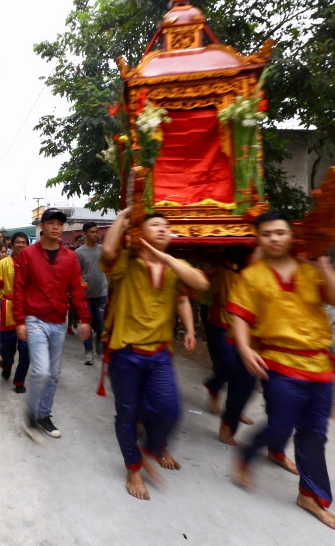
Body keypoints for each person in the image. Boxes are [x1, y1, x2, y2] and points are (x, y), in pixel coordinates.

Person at [228, 210, 335, 530]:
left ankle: (310, 496)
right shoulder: (252, 276)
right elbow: (240, 314)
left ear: (291, 236)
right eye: (267, 233)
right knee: (279, 427)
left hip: (320, 367)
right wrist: (244, 347)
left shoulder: (310, 269)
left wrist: (323, 263)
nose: (274, 238)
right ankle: (247, 454)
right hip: (280, 364)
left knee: (315, 434)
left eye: (280, 232)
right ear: (259, 238)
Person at [100, 208, 210, 500]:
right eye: (155, 225)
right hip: (126, 351)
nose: (162, 229)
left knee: (169, 409)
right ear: (141, 232)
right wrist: (124, 217)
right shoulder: (126, 261)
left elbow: (201, 284)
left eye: (166, 226)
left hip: (160, 353)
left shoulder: (175, 266)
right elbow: (108, 250)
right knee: (127, 413)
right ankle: (133, 468)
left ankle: (151, 449)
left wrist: (164, 257)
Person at [13, 208, 91, 439]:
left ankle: (43, 415)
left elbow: (77, 289)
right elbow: (19, 288)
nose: (56, 227)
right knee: (41, 370)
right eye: (51, 222)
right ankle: (30, 414)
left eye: (60, 223)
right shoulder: (28, 254)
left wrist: (84, 319)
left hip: (58, 321)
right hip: (35, 319)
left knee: (54, 373)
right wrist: (20, 320)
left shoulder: (70, 257)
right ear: (42, 226)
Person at [201, 259, 256, 444]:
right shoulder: (225, 255)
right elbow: (206, 267)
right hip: (224, 319)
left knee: (247, 376)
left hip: (254, 327)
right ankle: (215, 388)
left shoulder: (269, 266)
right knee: (231, 363)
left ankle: (233, 413)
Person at [0, 234, 30, 392]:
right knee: (7, 347)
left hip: (27, 311)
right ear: (12, 245)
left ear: (27, 245)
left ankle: (19, 381)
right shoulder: (4, 263)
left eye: (23, 242)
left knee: (26, 349)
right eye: (18, 242)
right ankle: (7, 366)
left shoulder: (32, 263)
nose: (20, 245)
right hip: (8, 309)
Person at [75, 221, 107, 365]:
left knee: (102, 323)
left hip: (102, 293)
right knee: (86, 323)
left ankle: (101, 345)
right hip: (86, 295)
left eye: (96, 232)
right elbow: (76, 274)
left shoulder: (103, 250)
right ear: (85, 233)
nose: (95, 234)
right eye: (92, 232)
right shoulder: (79, 253)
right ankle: (88, 352)